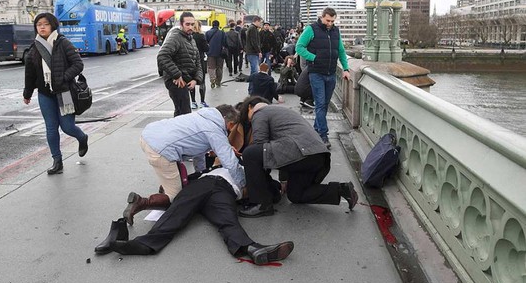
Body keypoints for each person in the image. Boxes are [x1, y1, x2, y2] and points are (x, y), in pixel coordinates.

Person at [100, 167, 294, 266]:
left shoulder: (253, 171)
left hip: (222, 190)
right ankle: (250, 247)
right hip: (212, 185)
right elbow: (182, 182)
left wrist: (279, 188)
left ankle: (252, 248)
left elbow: (272, 191)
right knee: (184, 211)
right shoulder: (220, 166)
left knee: (218, 219)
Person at [122, 104, 244, 225]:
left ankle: (165, 187)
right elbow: (230, 162)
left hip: (148, 135)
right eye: (232, 128)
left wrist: (201, 173)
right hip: (162, 149)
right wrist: (243, 184)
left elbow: (198, 151)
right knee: (176, 197)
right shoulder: (214, 130)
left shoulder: (204, 116)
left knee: (173, 176)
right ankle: (141, 202)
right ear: (230, 123)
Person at [237, 100, 358, 218]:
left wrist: (259, 184)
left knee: (250, 153)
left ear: (250, 107)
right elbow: (280, 149)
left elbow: (261, 146)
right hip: (317, 156)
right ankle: (342, 190)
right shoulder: (280, 113)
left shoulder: (259, 113)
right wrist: (283, 180)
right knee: (296, 195)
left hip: (302, 153)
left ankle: (261, 204)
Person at [23, 12, 88, 175]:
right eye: (39, 25)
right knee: (51, 129)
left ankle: (82, 138)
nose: (42, 27)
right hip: (45, 94)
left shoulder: (63, 43)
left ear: (52, 25)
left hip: (64, 92)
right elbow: (30, 73)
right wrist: (27, 93)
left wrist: (63, 78)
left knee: (67, 127)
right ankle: (57, 161)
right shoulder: (34, 48)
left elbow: (78, 64)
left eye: (45, 24)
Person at [296, 7, 350, 147]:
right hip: (316, 73)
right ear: (322, 17)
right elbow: (299, 47)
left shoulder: (335, 31)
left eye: (332, 21)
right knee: (320, 104)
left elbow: (341, 51)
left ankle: (315, 130)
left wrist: (345, 69)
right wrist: (314, 58)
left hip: (331, 73)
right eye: (328, 20)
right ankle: (323, 135)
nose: (330, 23)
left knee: (324, 105)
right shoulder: (311, 29)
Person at [157, 11, 203, 117]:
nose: (190, 27)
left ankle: (176, 132)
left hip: (186, 80)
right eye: (187, 24)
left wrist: (196, 79)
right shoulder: (175, 37)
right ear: (181, 24)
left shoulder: (192, 40)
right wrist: (176, 75)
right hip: (176, 82)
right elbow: (162, 56)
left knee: (180, 113)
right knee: (185, 114)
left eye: (192, 24)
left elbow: (198, 62)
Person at [190, 21, 209, 109]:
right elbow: (206, 48)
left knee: (191, 81)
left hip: (190, 61)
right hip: (200, 60)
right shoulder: (201, 36)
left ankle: (193, 102)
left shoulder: (189, 36)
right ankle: (202, 101)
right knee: (202, 81)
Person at [205, 20, 227, 88]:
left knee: (211, 68)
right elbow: (225, 43)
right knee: (219, 68)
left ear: (212, 25)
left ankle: (212, 81)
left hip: (210, 53)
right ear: (218, 25)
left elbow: (205, 43)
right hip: (220, 53)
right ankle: (218, 82)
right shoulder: (222, 33)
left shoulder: (208, 33)